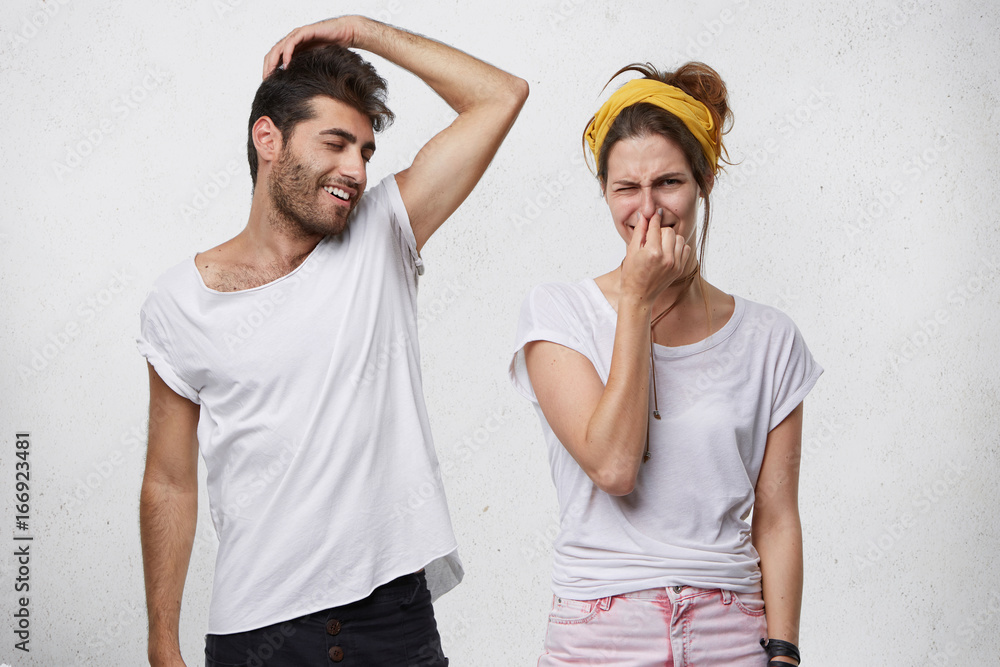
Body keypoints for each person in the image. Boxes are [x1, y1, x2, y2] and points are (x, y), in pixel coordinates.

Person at [138, 15, 527, 667]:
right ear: (269, 138)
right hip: (257, 633)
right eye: (337, 143)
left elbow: (501, 95)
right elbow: (169, 481)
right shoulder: (180, 301)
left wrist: (360, 30)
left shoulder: (384, 231)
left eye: (365, 152)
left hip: (393, 622)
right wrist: (161, 644)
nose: (356, 169)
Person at [510, 62, 821, 666]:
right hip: (600, 629)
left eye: (669, 183)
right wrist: (636, 299)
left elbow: (778, 518)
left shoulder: (771, 338)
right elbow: (613, 467)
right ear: (605, 191)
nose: (648, 210)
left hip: (731, 631)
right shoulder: (559, 314)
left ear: (704, 181)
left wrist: (784, 654)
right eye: (626, 188)